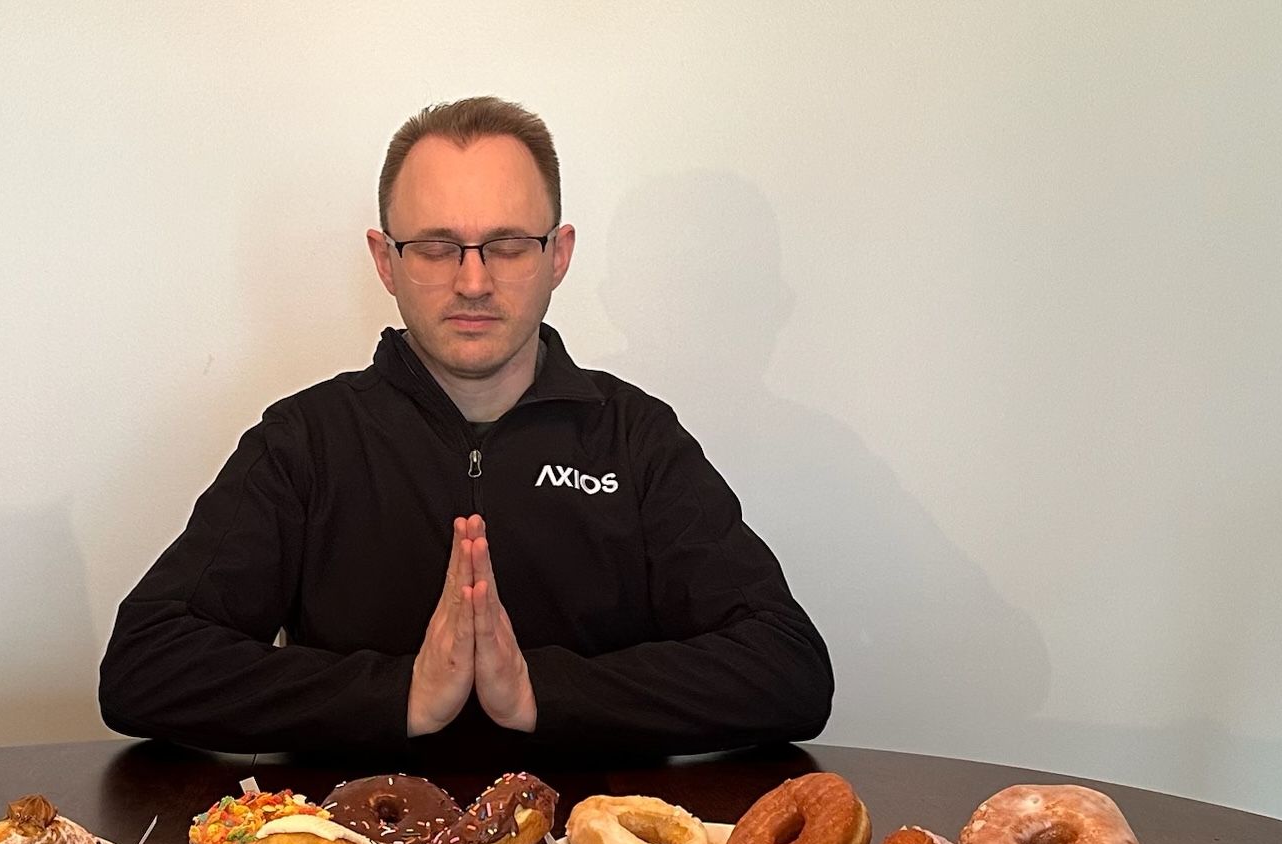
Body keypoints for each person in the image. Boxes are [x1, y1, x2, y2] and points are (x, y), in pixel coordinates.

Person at [98, 96, 831, 758]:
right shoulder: (306, 442)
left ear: (559, 256)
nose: (473, 281)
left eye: (508, 245)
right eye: (436, 247)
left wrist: (539, 694)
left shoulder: (635, 439)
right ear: (385, 260)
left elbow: (788, 667)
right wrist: (401, 695)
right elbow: (144, 664)